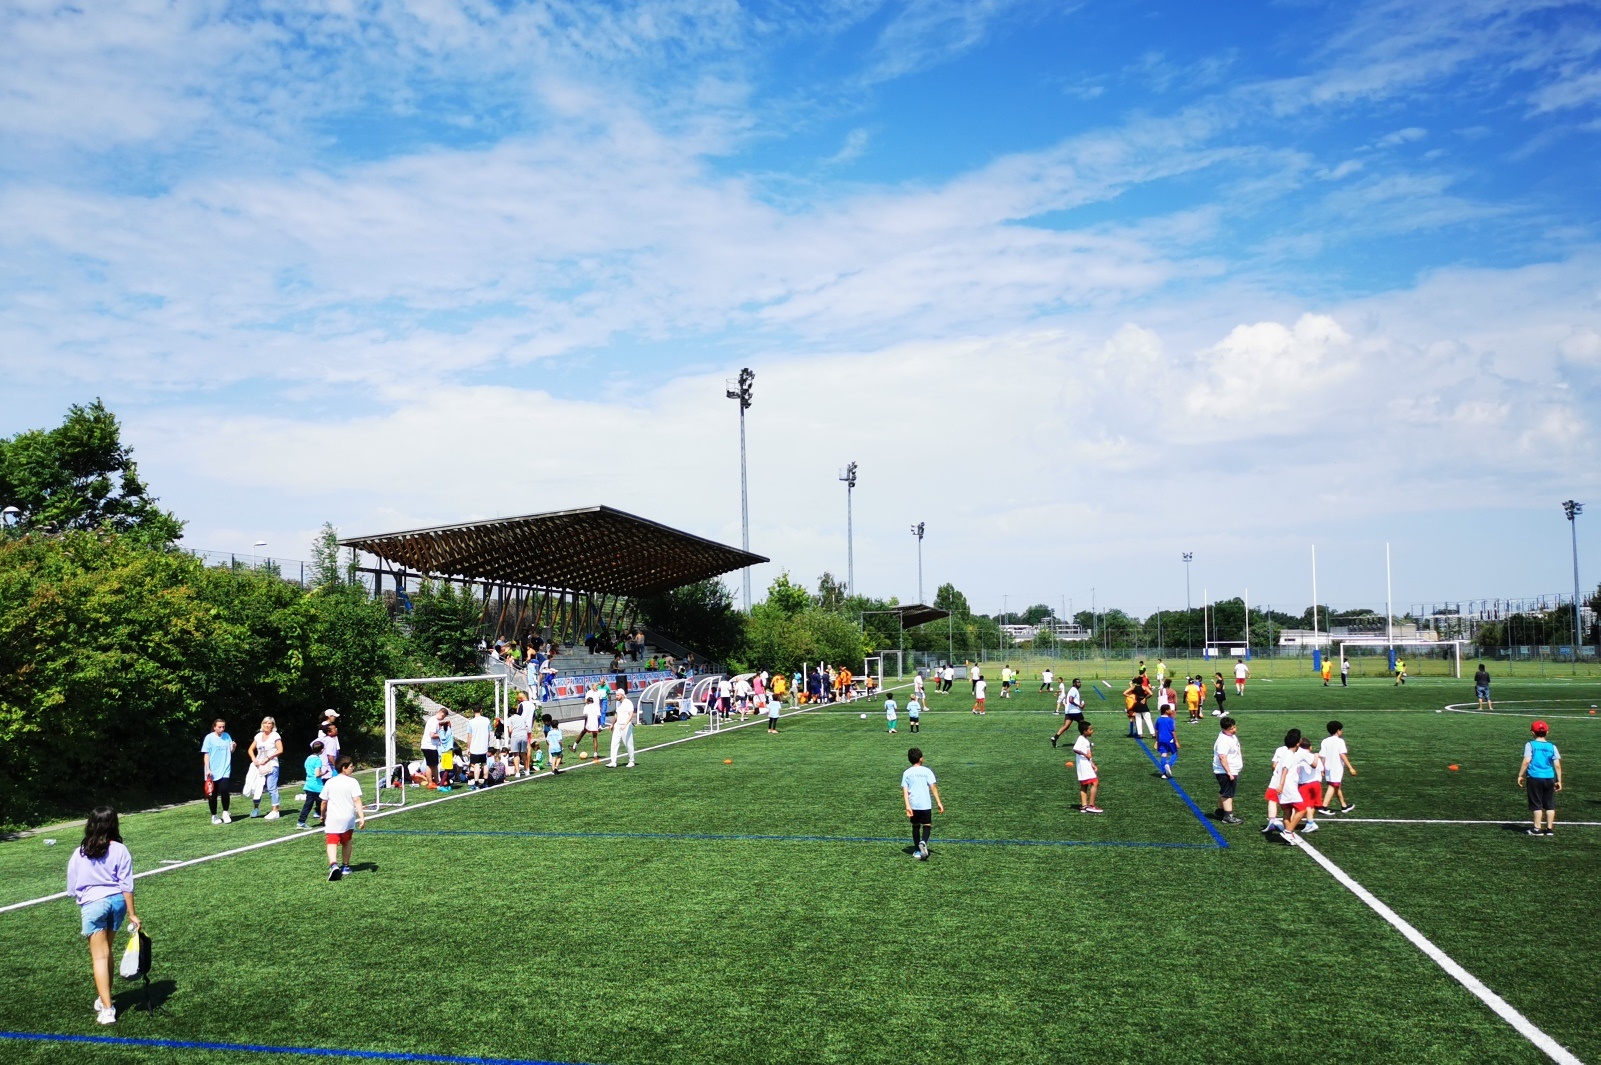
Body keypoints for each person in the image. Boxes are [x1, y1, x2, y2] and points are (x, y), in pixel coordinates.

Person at [67, 806, 140, 1025]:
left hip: (93, 904)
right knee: (107, 951)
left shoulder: (80, 852)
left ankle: (108, 1008)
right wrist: (132, 914)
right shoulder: (120, 849)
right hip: (117, 903)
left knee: (99, 956)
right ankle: (103, 997)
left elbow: (72, 886)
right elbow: (126, 885)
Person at [320, 756, 366, 881]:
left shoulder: (330, 782)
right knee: (347, 841)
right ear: (344, 768)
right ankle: (345, 866)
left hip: (333, 818)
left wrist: (322, 815)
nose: (352, 768)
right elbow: (356, 800)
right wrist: (362, 817)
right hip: (348, 817)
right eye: (350, 766)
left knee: (332, 842)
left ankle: (334, 865)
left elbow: (324, 801)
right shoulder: (353, 782)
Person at [1518, 721, 1562, 837]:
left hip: (1534, 777)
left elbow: (1527, 761)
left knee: (1536, 803)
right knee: (1549, 804)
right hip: (1549, 777)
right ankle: (1549, 829)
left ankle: (1537, 829)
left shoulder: (1530, 745)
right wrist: (1559, 780)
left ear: (1533, 733)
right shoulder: (1552, 746)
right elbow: (1557, 765)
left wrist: (1520, 775)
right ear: (1547, 732)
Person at [901, 747, 944, 860]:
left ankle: (917, 850)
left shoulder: (907, 773)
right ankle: (923, 841)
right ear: (921, 759)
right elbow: (933, 787)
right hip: (925, 804)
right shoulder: (927, 771)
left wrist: (907, 806)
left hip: (913, 804)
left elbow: (905, 791)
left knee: (915, 826)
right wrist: (939, 802)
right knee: (927, 825)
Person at [1262, 728, 1300, 837]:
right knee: (1291, 804)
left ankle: (1271, 821)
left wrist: (1277, 775)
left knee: (1272, 799)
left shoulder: (1280, 750)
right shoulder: (1298, 751)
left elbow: (1274, 765)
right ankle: (1290, 826)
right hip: (1291, 781)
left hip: (1276, 780)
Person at [246, 717, 284, 820]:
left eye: (269, 723)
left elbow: (280, 750)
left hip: (271, 764)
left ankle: (275, 810)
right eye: (265, 723)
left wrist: (268, 758)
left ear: (272, 725)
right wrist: (254, 759)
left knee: (271, 786)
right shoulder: (258, 736)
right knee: (257, 787)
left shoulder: (275, 735)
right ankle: (256, 808)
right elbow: (250, 749)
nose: (267, 725)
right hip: (259, 765)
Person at [201, 718, 236, 825]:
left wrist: (233, 747)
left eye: (223, 727)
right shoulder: (209, 738)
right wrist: (208, 769)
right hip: (212, 770)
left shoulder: (227, 736)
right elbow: (206, 754)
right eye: (219, 727)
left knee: (224, 789)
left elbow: (230, 751)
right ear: (214, 727)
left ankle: (225, 813)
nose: (222, 729)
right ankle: (214, 816)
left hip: (225, 768)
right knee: (213, 794)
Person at [1318, 722, 1357, 815]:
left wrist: (1322, 768)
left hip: (1328, 767)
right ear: (1337, 730)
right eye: (1341, 730)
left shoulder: (1325, 741)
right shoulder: (1340, 741)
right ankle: (1324, 807)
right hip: (1336, 768)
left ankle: (1344, 806)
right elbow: (1342, 755)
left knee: (1336, 786)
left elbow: (1323, 756)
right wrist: (1350, 767)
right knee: (1333, 786)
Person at [1212, 717, 1243, 824]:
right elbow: (1222, 757)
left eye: (1234, 727)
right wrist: (1229, 772)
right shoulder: (1224, 741)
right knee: (1228, 793)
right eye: (1231, 729)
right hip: (1225, 771)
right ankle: (1228, 816)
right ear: (1223, 729)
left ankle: (1220, 811)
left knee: (1224, 790)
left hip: (1229, 770)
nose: (1234, 730)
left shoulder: (1230, 736)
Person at [298, 739, 331, 830]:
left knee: (308, 805)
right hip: (316, 786)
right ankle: (326, 819)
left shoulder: (308, 758)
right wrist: (324, 773)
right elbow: (317, 774)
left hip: (308, 784)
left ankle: (301, 822)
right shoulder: (318, 760)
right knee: (326, 802)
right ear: (322, 750)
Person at [1072, 722, 1101, 813]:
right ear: (1084, 731)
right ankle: (1091, 805)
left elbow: (1089, 755)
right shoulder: (1081, 739)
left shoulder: (1086, 740)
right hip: (1083, 765)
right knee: (1095, 783)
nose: (1092, 731)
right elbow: (1075, 749)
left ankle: (1084, 805)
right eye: (1090, 730)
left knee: (1084, 785)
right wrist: (1085, 755)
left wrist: (1092, 764)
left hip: (1085, 765)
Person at [608, 690, 637, 768]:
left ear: (622, 695)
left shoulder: (628, 702)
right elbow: (616, 714)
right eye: (616, 695)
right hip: (618, 725)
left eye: (618, 695)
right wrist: (612, 724)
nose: (616, 697)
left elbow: (631, 715)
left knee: (628, 743)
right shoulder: (618, 703)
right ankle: (613, 762)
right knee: (614, 743)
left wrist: (625, 725)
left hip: (626, 726)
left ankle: (631, 761)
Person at [1051, 678, 1084, 747]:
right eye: (1078, 682)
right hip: (1075, 711)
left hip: (1069, 712)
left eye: (1080, 682)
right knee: (1083, 725)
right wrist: (1079, 706)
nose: (1079, 684)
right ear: (1074, 683)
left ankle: (1055, 738)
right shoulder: (1074, 690)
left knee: (1066, 726)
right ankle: (1083, 741)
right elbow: (1070, 700)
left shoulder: (1072, 690)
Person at [466, 706, 492, 789]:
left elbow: (469, 736)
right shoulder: (486, 720)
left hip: (475, 746)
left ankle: (476, 783)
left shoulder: (471, 722)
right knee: (484, 763)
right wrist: (487, 743)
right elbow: (489, 733)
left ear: (472, 711)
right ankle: (486, 782)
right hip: (484, 745)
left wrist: (468, 747)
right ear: (481, 710)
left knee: (476, 764)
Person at [577, 686, 604, 758]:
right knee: (595, 738)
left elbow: (586, 716)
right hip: (595, 724)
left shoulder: (586, 707)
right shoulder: (596, 707)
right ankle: (595, 754)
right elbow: (598, 716)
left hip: (588, 724)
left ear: (588, 701)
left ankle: (574, 746)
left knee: (582, 733)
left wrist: (585, 725)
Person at [420, 707, 444, 787]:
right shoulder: (434, 721)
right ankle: (430, 783)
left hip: (430, 746)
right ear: (442, 714)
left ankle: (437, 781)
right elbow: (432, 735)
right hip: (429, 746)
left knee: (434, 765)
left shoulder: (433, 720)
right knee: (430, 765)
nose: (443, 719)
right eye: (443, 717)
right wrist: (442, 735)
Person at [1154, 705, 1180, 778]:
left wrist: (1157, 741)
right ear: (1166, 711)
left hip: (1161, 739)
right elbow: (1173, 731)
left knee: (1163, 754)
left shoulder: (1158, 720)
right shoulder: (1170, 720)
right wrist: (1176, 741)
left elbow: (1157, 731)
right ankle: (1169, 764)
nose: (1171, 710)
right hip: (1169, 739)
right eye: (1170, 709)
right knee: (1175, 753)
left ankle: (1164, 774)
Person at [435, 715, 456, 791]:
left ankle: (448, 785)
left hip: (443, 753)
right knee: (447, 770)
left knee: (446, 769)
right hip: (448, 752)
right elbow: (449, 723)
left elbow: (440, 725)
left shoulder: (441, 733)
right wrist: (447, 722)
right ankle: (441, 785)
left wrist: (442, 723)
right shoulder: (449, 733)